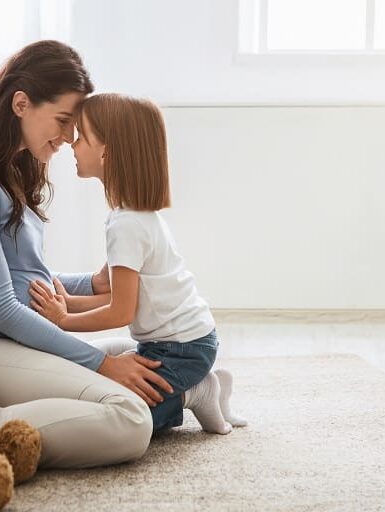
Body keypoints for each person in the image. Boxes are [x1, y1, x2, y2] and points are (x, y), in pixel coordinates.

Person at [0, 41, 174, 469]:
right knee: (130, 417)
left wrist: (90, 284)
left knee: (148, 355)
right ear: (21, 104)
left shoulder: (9, 169)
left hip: (4, 338)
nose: (70, 137)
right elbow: (0, 306)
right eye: (63, 121)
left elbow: (20, 278)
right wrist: (102, 364)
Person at [29, 93, 246, 435]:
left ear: (107, 152)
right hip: (183, 341)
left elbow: (120, 312)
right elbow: (125, 296)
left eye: (82, 136)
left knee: (135, 415)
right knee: (107, 392)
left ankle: (198, 390)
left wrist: (64, 319)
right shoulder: (132, 216)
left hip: (183, 350)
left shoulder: (126, 225)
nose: (72, 143)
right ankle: (209, 382)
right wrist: (68, 303)